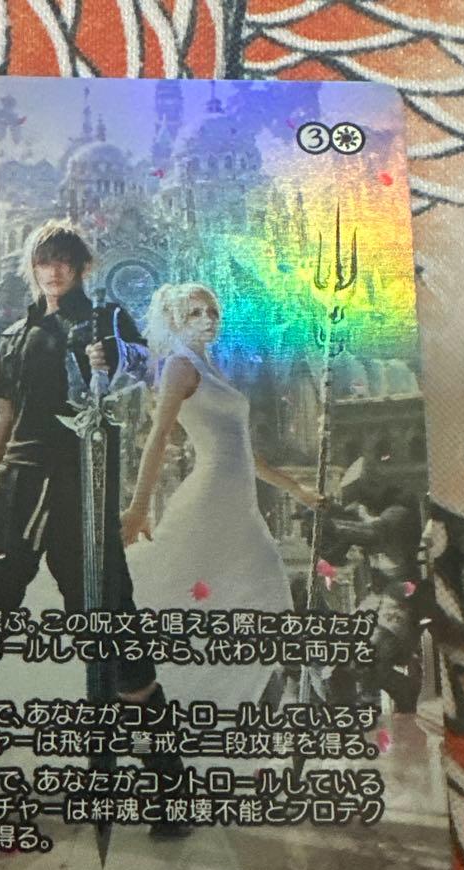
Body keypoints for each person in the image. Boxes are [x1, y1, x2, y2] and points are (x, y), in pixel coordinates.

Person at [0, 220, 186, 836]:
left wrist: (114, 360)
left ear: (80, 268)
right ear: (33, 266)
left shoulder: (107, 320)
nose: (53, 271)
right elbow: (3, 419)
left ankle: (170, 790)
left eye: (64, 261)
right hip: (17, 487)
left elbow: (146, 375)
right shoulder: (15, 334)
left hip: (80, 484)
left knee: (113, 627)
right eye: (45, 261)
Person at [122, 282, 323, 710]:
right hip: (211, 496)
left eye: (212, 312)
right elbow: (159, 436)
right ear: (177, 320)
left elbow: (245, 452)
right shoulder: (179, 366)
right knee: (205, 586)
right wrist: (139, 507)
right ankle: (210, 695)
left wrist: (297, 489)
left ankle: (233, 698)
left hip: (238, 499)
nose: (208, 320)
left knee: (251, 591)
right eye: (195, 313)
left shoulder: (211, 367)